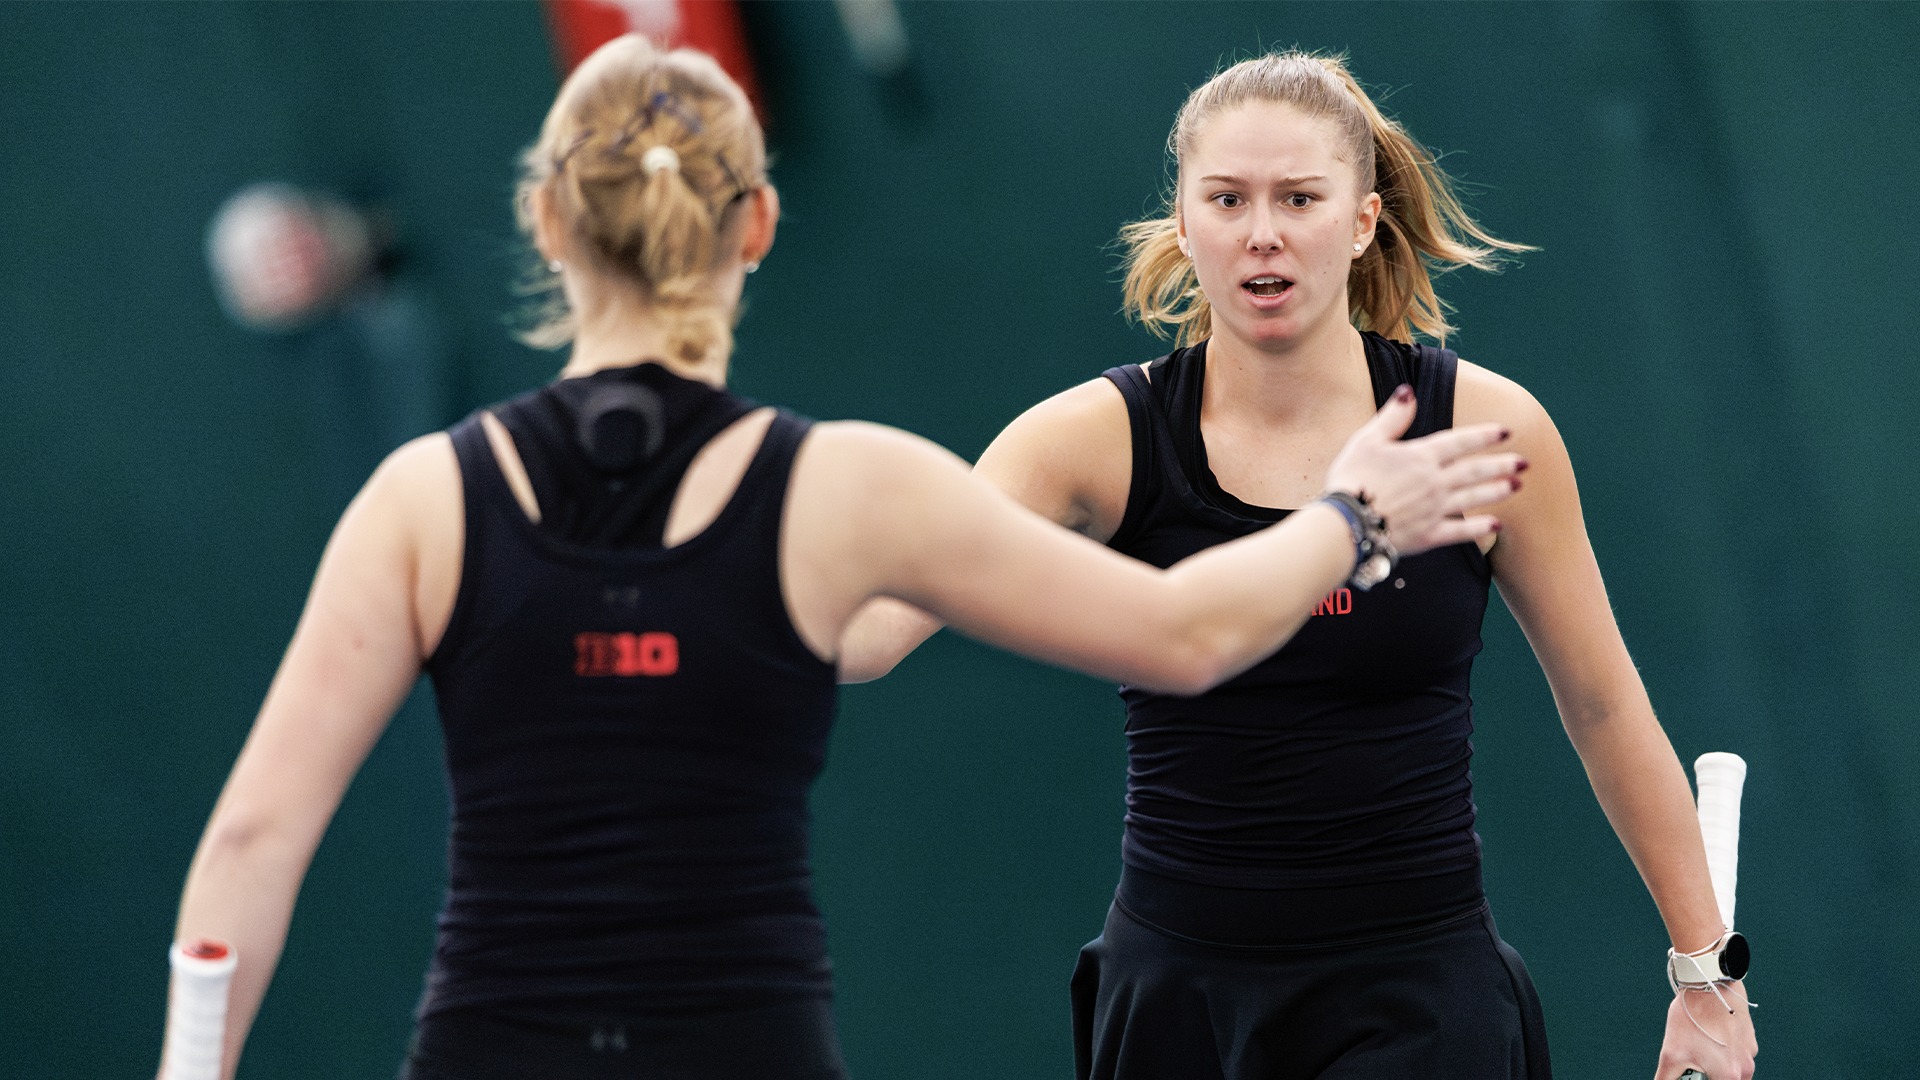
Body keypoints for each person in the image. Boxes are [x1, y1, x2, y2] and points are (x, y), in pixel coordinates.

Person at [161, 38, 1523, 1080]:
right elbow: (1185, 634)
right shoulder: (845, 489)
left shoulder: (424, 502)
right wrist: (1350, 518)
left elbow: (251, 838)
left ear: (549, 226)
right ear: (756, 227)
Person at [840, 51, 1758, 1080]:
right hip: (1176, 1004)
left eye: (1299, 198)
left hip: (1422, 1006)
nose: (1262, 231)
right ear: (1183, 222)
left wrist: (1706, 974)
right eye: (1227, 198)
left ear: (1362, 221)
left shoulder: (1487, 431)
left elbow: (1603, 704)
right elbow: (866, 636)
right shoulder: (1087, 441)